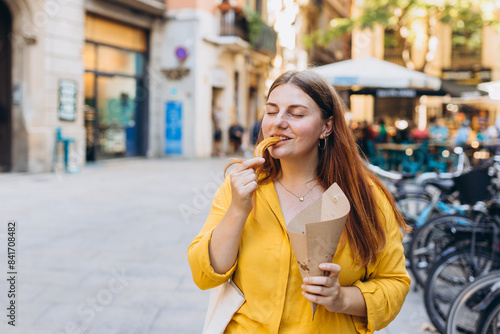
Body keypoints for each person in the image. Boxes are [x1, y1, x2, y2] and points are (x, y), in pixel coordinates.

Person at [187, 70, 411, 332]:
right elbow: (204, 275)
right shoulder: (240, 187)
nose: (278, 122)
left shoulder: (364, 197)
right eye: (271, 111)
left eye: (296, 113)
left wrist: (341, 299)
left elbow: (394, 283)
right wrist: (238, 209)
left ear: (326, 126)